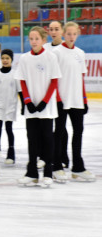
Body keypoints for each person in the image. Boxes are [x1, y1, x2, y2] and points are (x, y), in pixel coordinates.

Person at [15, 26, 61, 187]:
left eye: (37, 39)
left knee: (48, 139)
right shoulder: (25, 58)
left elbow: (54, 81)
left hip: (46, 108)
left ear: (43, 40)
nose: (34, 41)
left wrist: (44, 101)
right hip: (31, 107)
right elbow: (22, 80)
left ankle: (48, 172)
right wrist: (27, 101)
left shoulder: (51, 57)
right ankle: (32, 173)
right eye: (31, 39)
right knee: (32, 140)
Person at [51, 22, 95, 182]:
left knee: (78, 132)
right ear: (63, 34)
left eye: (73, 34)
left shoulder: (80, 53)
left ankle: (78, 167)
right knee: (59, 133)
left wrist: (84, 99)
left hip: (77, 101)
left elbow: (81, 78)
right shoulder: (56, 53)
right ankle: (56, 166)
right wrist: (57, 99)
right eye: (68, 33)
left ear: (77, 34)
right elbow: (53, 78)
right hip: (61, 100)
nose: (71, 36)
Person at [43, 20, 68, 169]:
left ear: (62, 31)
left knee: (60, 128)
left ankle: (62, 156)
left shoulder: (66, 48)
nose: (53, 32)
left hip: (61, 93)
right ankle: (47, 156)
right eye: (51, 29)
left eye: (56, 29)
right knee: (46, 128)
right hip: (47, 92)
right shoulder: (45, 48)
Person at [0, 49, 20, 165]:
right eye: (3, 58)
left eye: (7, 58)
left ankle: (11, 153)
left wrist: (23, 106)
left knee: (9, 129)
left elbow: (20, 91)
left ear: (12, 59)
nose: (5, 60)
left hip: (10, 106)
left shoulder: (15, 74)